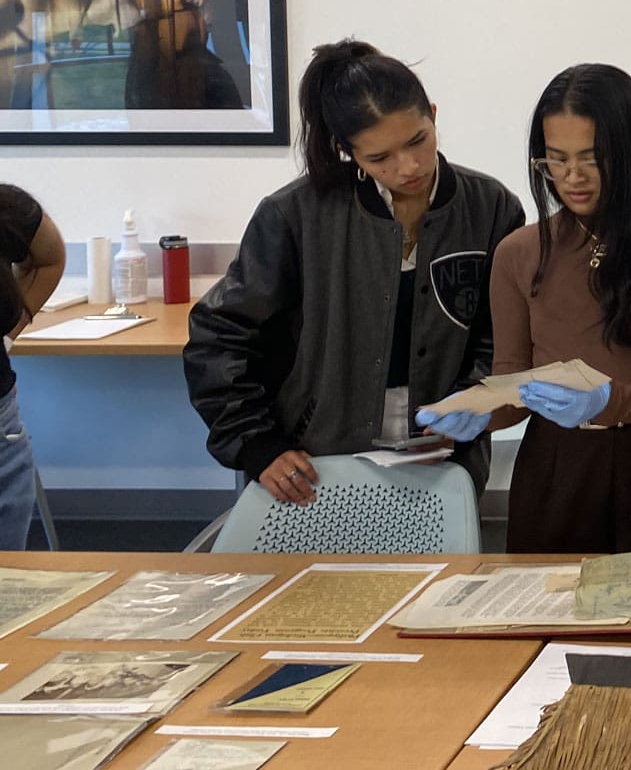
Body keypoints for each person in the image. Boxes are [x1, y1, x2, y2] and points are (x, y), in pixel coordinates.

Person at [184, 40, 523, 503]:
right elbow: (219, 334)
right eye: (380, 158)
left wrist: (464, 415)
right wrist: (256, 444)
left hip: (442, 458)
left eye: (418, 141)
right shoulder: (296, 214)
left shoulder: (491, 208)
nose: (408, 168)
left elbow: (497, 337)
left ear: (434, 116)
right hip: (314, 461)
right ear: (347, 152)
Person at [418, 64, 631, 553]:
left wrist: (611, 401)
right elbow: (514, 382)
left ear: (630, 153)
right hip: (558, 469)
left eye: (592, 159)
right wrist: (477, 411)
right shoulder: (519, 253)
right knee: (548, 616)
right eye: (555, 161)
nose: (571, 178)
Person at [0, 184, 65, 548]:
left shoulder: (6, 209)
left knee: (6, 581)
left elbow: (49, 258)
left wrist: (8, 336)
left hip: (1, 429)